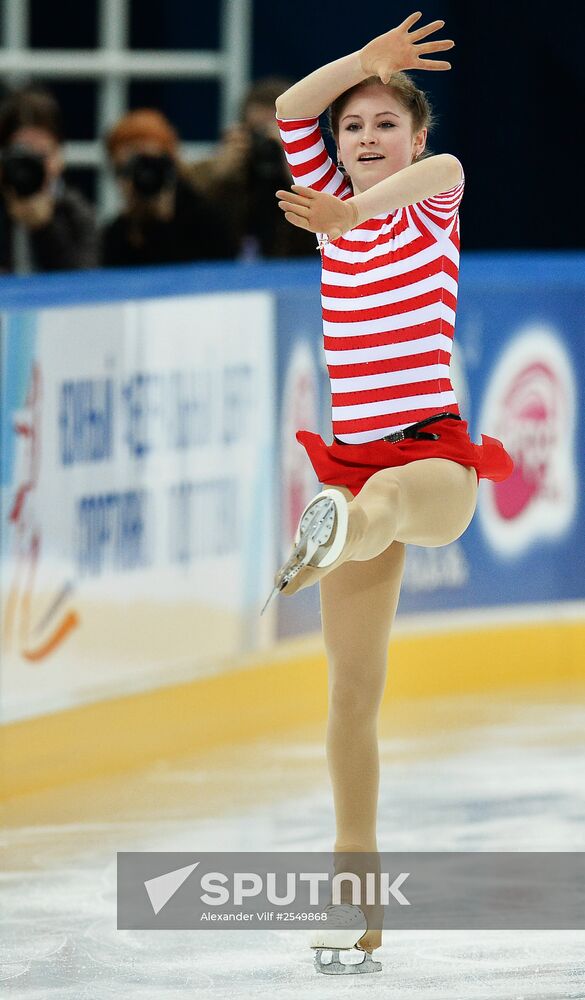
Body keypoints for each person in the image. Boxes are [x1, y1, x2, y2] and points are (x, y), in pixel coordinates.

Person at [266, 12, 514, 975]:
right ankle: (353, 897)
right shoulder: (332, 196)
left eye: (384, 124)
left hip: (433, 458)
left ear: (416, 140)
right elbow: (293, 105)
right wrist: (361, 65)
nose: (364, 137)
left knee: (397, 503)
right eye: (354, 127)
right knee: (349, 696)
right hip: (353, 461)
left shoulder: (431, 196)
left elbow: (422, 183)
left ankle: (340, 526)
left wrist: (351, 214)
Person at [189, 77, 316, 259]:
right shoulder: (227, 173)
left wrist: (297, 165)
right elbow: (187, 223)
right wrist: (217, 175)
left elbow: (331, 231)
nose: (266, 141)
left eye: (278, 131)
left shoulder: (319, 171)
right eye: (258, 132)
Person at [101, 108, 237, 267]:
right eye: (127, 170)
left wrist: (164, 222)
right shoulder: (116, 235)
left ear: (171, 165)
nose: (144, 176)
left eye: (150, 166)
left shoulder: (207, 220)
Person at [0, 86, 98, 274]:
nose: (31, 168)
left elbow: (84, 285)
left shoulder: (77, 213)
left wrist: (46, 228)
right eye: (22, 155)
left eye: (41, 156)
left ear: (59, 157)